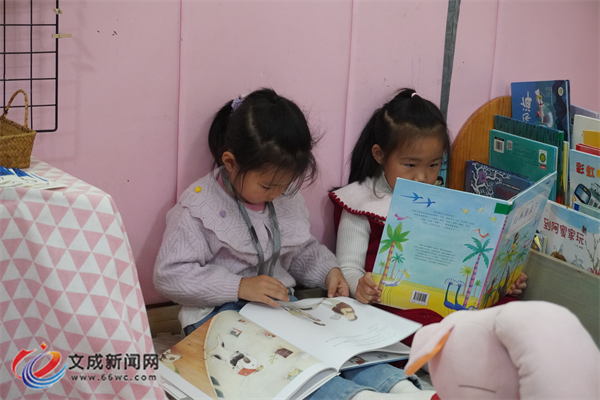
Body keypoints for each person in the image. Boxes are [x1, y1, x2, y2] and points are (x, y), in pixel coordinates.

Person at [154, 88, 435, 400]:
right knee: (283, 364)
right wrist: (239, 287)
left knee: (333, 343)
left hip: (279, 309)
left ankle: (398, 388)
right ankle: (356, 397)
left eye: (285, 184)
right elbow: (170, 275)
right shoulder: (198, 208)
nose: (277, 193)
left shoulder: (283, 197)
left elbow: (300, 249)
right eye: (267, 185)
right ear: (230, 163)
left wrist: (329, 272)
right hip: (218, 317)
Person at [330, 88, 527, 341]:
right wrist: (361, 287)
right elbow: (347, 267)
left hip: (447, 301)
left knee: (515, 314)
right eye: (410, 165)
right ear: (380, 155)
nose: (422, 177)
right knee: (437, 330)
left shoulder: (447, 202)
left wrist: (501, 281)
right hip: (390, 306)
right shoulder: (360, 201)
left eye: (434, 165)